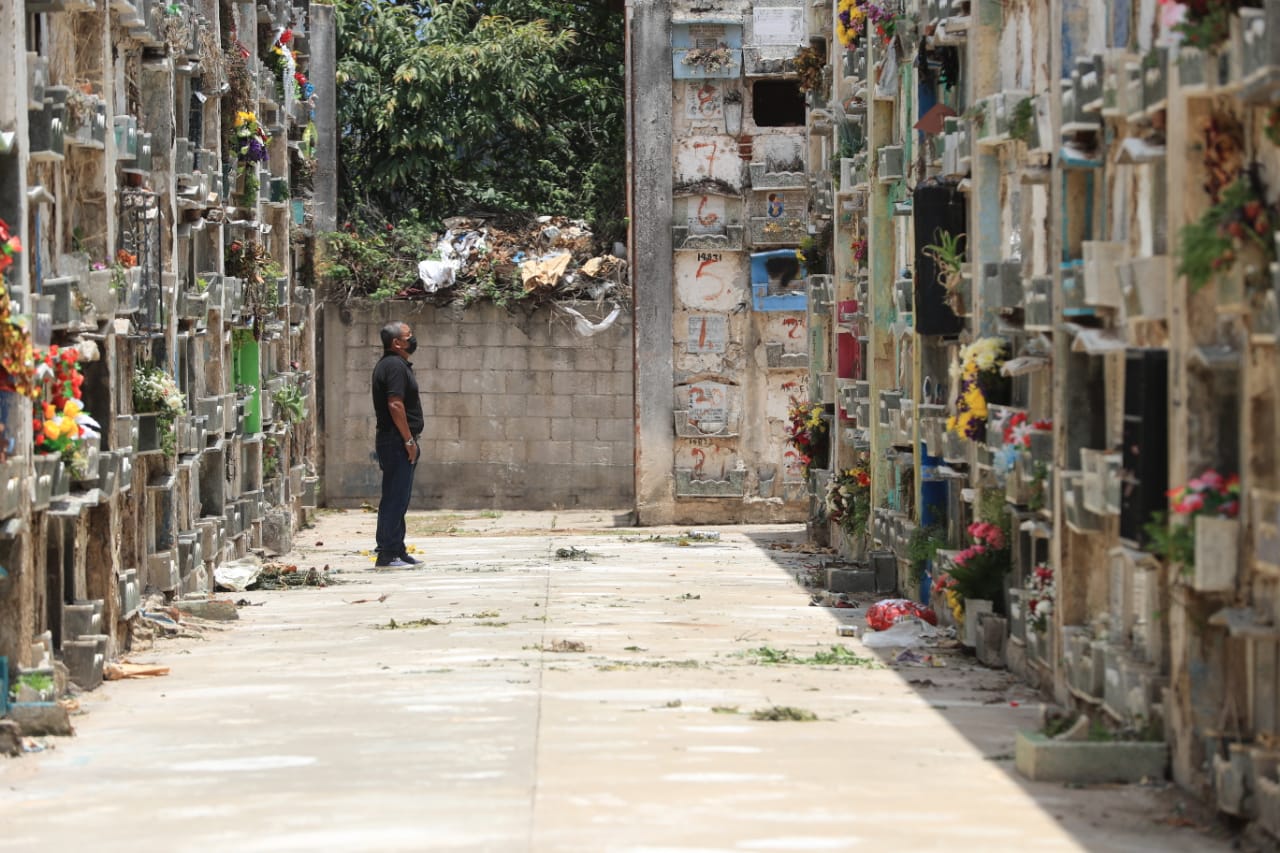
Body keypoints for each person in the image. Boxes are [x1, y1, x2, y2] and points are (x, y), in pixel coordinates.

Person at [371, 320, 424, 568]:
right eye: (408, 335)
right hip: (396, 440)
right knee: (395, 496)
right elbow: (395, 404)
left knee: (398, 496)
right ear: (397, 343)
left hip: (397, 439)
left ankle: (396, 548)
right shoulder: (393, 366)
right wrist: (408, 440)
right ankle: (388, 553)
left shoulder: (395, 364)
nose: (412, 339)